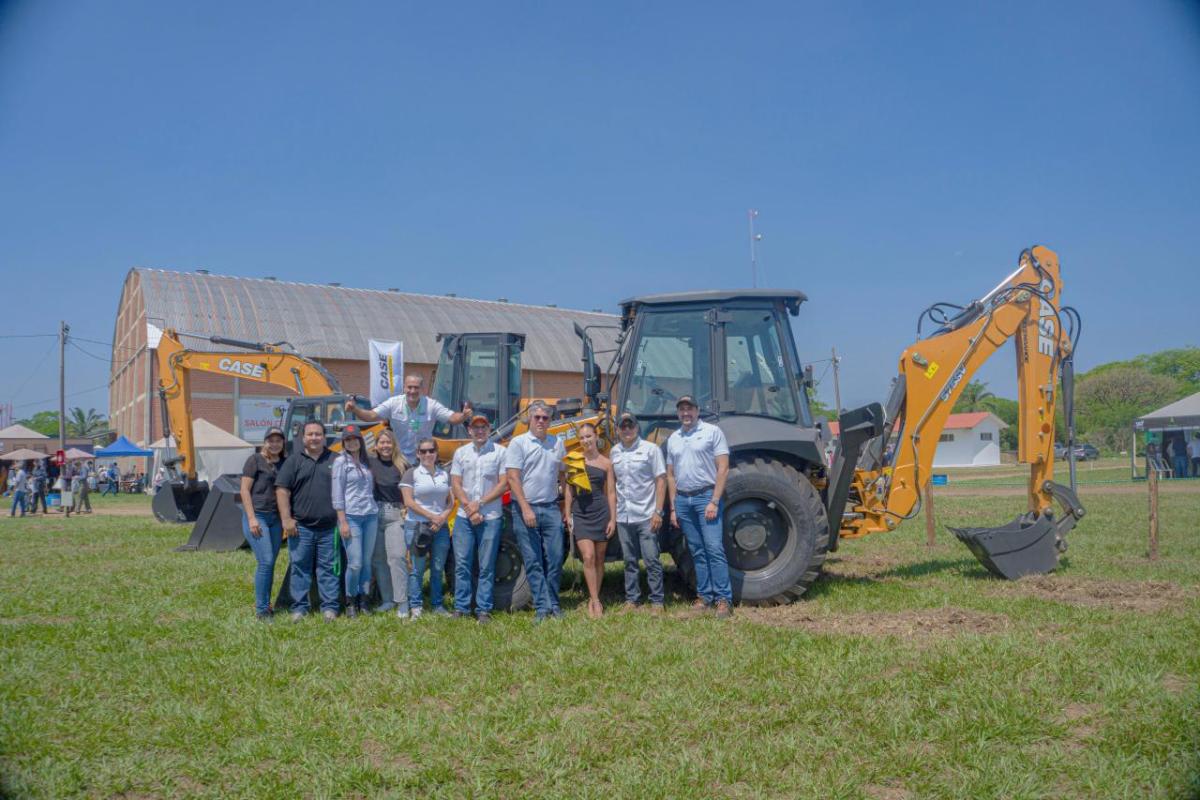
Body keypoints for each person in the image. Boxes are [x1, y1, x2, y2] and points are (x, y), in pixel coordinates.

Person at [666, 395, 733, 618]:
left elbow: (723, 468)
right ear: (678, 413)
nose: (686, 413)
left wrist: (714, 500)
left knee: (714, 549)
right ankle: (704, 597)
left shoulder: (712, 432)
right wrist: (674, 507)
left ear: (697, 411)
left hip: (706, 496)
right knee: (696, 550)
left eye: (690, 409)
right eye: (682, 409)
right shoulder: (673, 438)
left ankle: (724, 599)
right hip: (683, 501)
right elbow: (670, 475)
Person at [505, 400, 567, 622]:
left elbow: (563, 474)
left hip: (550, 508)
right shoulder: (518, 443)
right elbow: (513, 477)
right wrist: (525, 508)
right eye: (537, 417)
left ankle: (553, 602)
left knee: (556, 557)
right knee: (533, 560)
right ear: (529, 419)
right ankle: (542, 607)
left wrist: (563, 505)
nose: (541, 421)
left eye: (545, 418)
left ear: (550, 421)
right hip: (526, 509)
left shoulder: (557, 443)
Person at [276, 420, 341, 622]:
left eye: (318, 434)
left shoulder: (336, 460)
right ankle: (299, 608)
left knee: (328, 569)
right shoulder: (293, 461)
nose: (314, 438)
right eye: (310, 434)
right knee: (300, 568)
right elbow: (282, 490)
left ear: (324, 437)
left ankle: (329, 608)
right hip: (301, 528)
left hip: (330, 528)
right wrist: (286, 519)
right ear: (303, 437)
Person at [450, 414, 509, 623]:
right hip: (464, 517)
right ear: (469, 431)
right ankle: (461, 607)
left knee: (486, 565)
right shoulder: (461, 453)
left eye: (483, 427)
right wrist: (469, 507)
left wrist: (480, 504)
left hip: (490, 516)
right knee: (462, 564)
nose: (480, 431)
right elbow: (456, 483)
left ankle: (483, 609)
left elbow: (503, 484)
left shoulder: (500, 452)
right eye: (476, 427)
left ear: (489, 429)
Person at [344, 374, 473, 464]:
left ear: (422, 389)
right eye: (409, 387)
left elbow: (452, 418)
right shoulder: (393, 403)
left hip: (423, 459)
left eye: (416, 387)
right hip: (398, 459)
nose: (412, 391)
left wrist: (463, 416)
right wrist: (355, 409)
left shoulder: (431, 405)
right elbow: (371, 416)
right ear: (404, 388)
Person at [611, 412, 668, 613]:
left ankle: (657, 601)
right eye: (623, 426)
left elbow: (661, 480)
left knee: (651, 559)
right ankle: (632, 599)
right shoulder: (614, 452)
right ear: (617, 430)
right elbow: (613, 485)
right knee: (629, 561)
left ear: (637, 428)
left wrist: (658, 512)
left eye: (630, 425)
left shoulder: (651, 450)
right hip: (624, 516)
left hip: (646, 515)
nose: (627, 430)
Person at [564, 422, 617, 619]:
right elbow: (569, 490)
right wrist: (568, 514)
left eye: (589, 436)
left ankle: (595, 595)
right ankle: (594, 600)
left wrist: (613, 518)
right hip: (581, 513)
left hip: (601, 512)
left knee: (600, 558)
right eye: (582, 438)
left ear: (596, 437)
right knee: (588, 556)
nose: (586, 440)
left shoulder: (606, 463)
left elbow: (611, 493)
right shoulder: (575, 460)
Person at [400, 437, 453, 619]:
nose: (428, 454)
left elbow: (450, 502)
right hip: (417, 526)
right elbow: (408, 502)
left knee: (438, 568)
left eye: (431, 450)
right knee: (417, 568)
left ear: (436, 452)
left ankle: (437, 604)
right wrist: (432, 517)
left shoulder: (444, 474)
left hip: (440, 527)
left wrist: (441, 518)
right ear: (418, 454)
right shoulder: (411, 474)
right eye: (423, 451)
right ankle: (416, 606)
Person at [239, 427, 287, 621]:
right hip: (258, 516)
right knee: (266, 561)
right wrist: (251, 518)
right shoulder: (255, 460)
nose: (274, 444)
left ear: (283, 443)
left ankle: (267, 604)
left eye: (278, 440)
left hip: (276, 519)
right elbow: (244, 490)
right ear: (264, 441)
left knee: (270, 563)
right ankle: (261, 610)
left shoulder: (284, 463)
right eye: (271, 440)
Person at [331, 424, 379, 618]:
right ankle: (350, 600)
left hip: (370, 516)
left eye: (355, 438)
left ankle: (364, 599)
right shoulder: (340, 462)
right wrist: (342, 521)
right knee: (355, 562)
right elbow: (337, 494)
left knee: (367, 562)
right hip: (351, 517)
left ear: (360, 440)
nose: (352, 442)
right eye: (348, 439)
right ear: (344, 442)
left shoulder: (367, 463)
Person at [369, 428, 409, 618]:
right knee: (378, 560)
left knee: (397, 557)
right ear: (376, 445)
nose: (385, 446)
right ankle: (387, 600)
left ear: (394, 445)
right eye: (381, 442)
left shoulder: (402, 465)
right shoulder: (368, 463)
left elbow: (412, 490)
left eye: (388, 442)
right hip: (373, 514)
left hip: (395, 514)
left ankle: (402, 602)